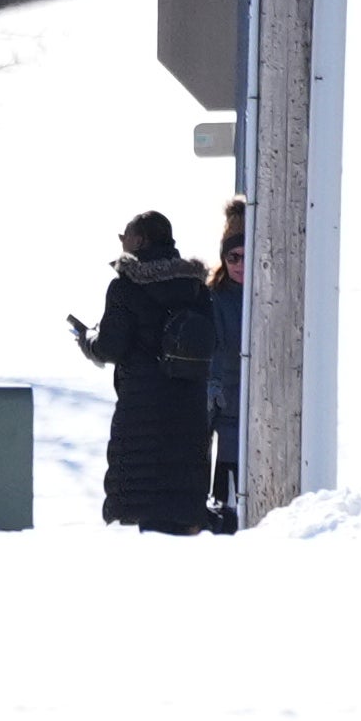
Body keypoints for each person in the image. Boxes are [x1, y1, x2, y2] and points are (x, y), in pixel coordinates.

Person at [68, 208, 217, 535]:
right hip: (189, 410)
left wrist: (87, 340)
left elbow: (110, 347)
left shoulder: (125, 287)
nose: (122, 242)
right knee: (180, 499)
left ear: (141, 240)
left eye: (125, 236)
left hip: (141, 408)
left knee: (135, 498)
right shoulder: (196, 287)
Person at [200, 196, 249, 528]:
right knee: (226, 467)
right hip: (226, 397)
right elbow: (214, 346)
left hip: (257, 397)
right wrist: (213, 386)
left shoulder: (266, 291)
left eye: (246, 257)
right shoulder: (215, 295)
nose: (239, 265)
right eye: (233, 257)